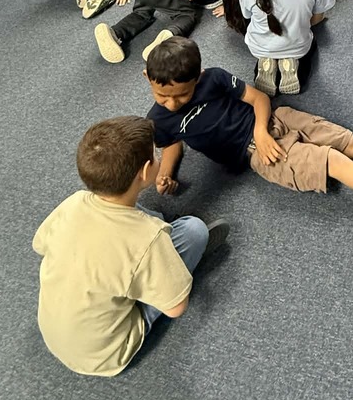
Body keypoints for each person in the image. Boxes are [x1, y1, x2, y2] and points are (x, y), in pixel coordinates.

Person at [145, 37, 353, 228]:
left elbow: (259, 98)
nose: (172, 103)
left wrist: (261, 129)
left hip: (274, 120)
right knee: (333, 161)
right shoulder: (159, 120)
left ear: (198, 76)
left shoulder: (214, 77)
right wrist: (166, 173)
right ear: (148, 79)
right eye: (163, 96)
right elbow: (171, 144)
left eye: (182, 95)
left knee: (349, 142)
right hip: (259, 154)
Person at [32, 115, 228, 377]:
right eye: (155, 155)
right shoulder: (146, 237)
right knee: (194, 231)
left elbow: (40, 245)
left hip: (56, 334)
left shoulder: (75, 201)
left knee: (135, 217)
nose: (158, 158)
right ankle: (164, 269)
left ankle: (142, 272)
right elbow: (176, 307)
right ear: (145, 172)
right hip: (107, 354)